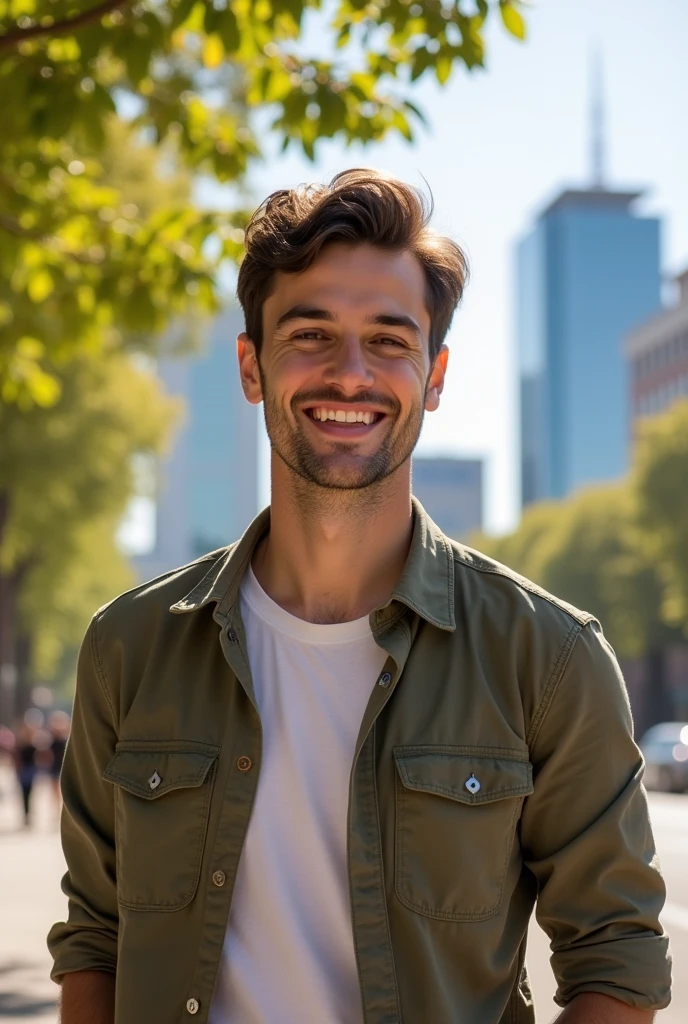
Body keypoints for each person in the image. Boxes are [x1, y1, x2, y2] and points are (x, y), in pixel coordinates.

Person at [48, 170, 671, 1023]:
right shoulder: (129, 646)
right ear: (251, 365)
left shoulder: (548, 657)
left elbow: (617, 955)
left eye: (388, 339)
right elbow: (96, 935)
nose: (350, 374)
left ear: (435, 374)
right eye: (310, 333)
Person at [13, 722, 37, 827]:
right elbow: (16, 758)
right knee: (23, 793)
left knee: (30, 793)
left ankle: (29, 814)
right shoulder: (20, 745)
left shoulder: (34, 744)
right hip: (23, 771)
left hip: (31, 770)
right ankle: (25, 815)